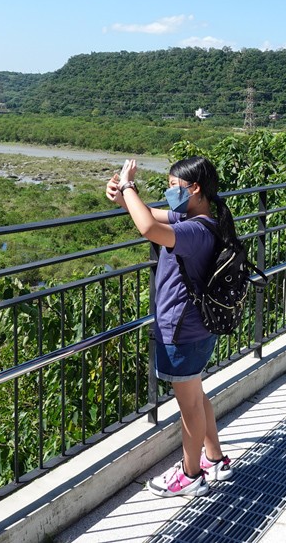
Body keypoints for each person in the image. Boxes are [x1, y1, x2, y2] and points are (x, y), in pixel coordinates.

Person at [105, 156, 234, 498]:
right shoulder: (207, 218)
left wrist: (130, 184)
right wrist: (123, 198)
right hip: (198, 327)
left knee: (188, 405)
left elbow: (149, 229)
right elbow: (149, 216)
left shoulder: (192, 231)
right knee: (196, 394)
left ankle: (190, 475)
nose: (169, 193)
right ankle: (215, 458)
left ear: (195, 189)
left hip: (182, 329)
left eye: (173, 187)